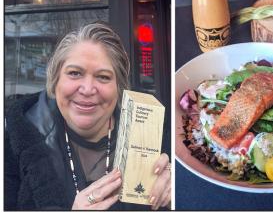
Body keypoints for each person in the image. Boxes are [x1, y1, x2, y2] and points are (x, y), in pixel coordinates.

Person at [4, 22, 171, 210]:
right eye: (75, 73)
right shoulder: (13, 143)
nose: (88, 89)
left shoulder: (156, 135)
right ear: (55, 80)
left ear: (119, 88)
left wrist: (176, 192)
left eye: (103, 77)